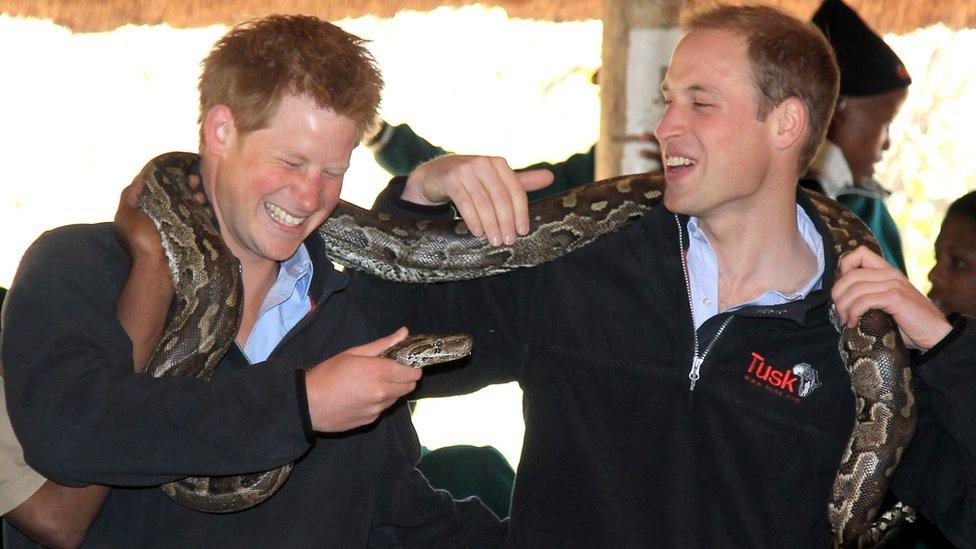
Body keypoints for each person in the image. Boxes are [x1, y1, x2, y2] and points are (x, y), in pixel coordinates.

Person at [353, 4, 871, 546]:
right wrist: (419, 200)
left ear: (785, 123)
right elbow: (379, 338)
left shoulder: (859, 336)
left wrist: (946, 349)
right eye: (669, 101)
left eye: (701, 104)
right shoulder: (579, 265)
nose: (665, 127)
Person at [1, 15, 506, 548]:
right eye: (291, 162)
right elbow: (71, 435)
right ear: (221, 131)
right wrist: (300, 405)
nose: (310, 197)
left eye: (333, 172)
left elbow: (392, 512)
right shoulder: (79, 268)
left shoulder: (345, 319)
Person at [831, 220, 976, 546]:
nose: (934, 275)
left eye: (960, 263)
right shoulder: (925, 386)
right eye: (936, 257)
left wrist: (947, 345)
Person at [802, 0, 912, 273]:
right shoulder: (793, 199)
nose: (887, 142)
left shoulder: (871, 207)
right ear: (837, 109)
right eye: (885, 123)